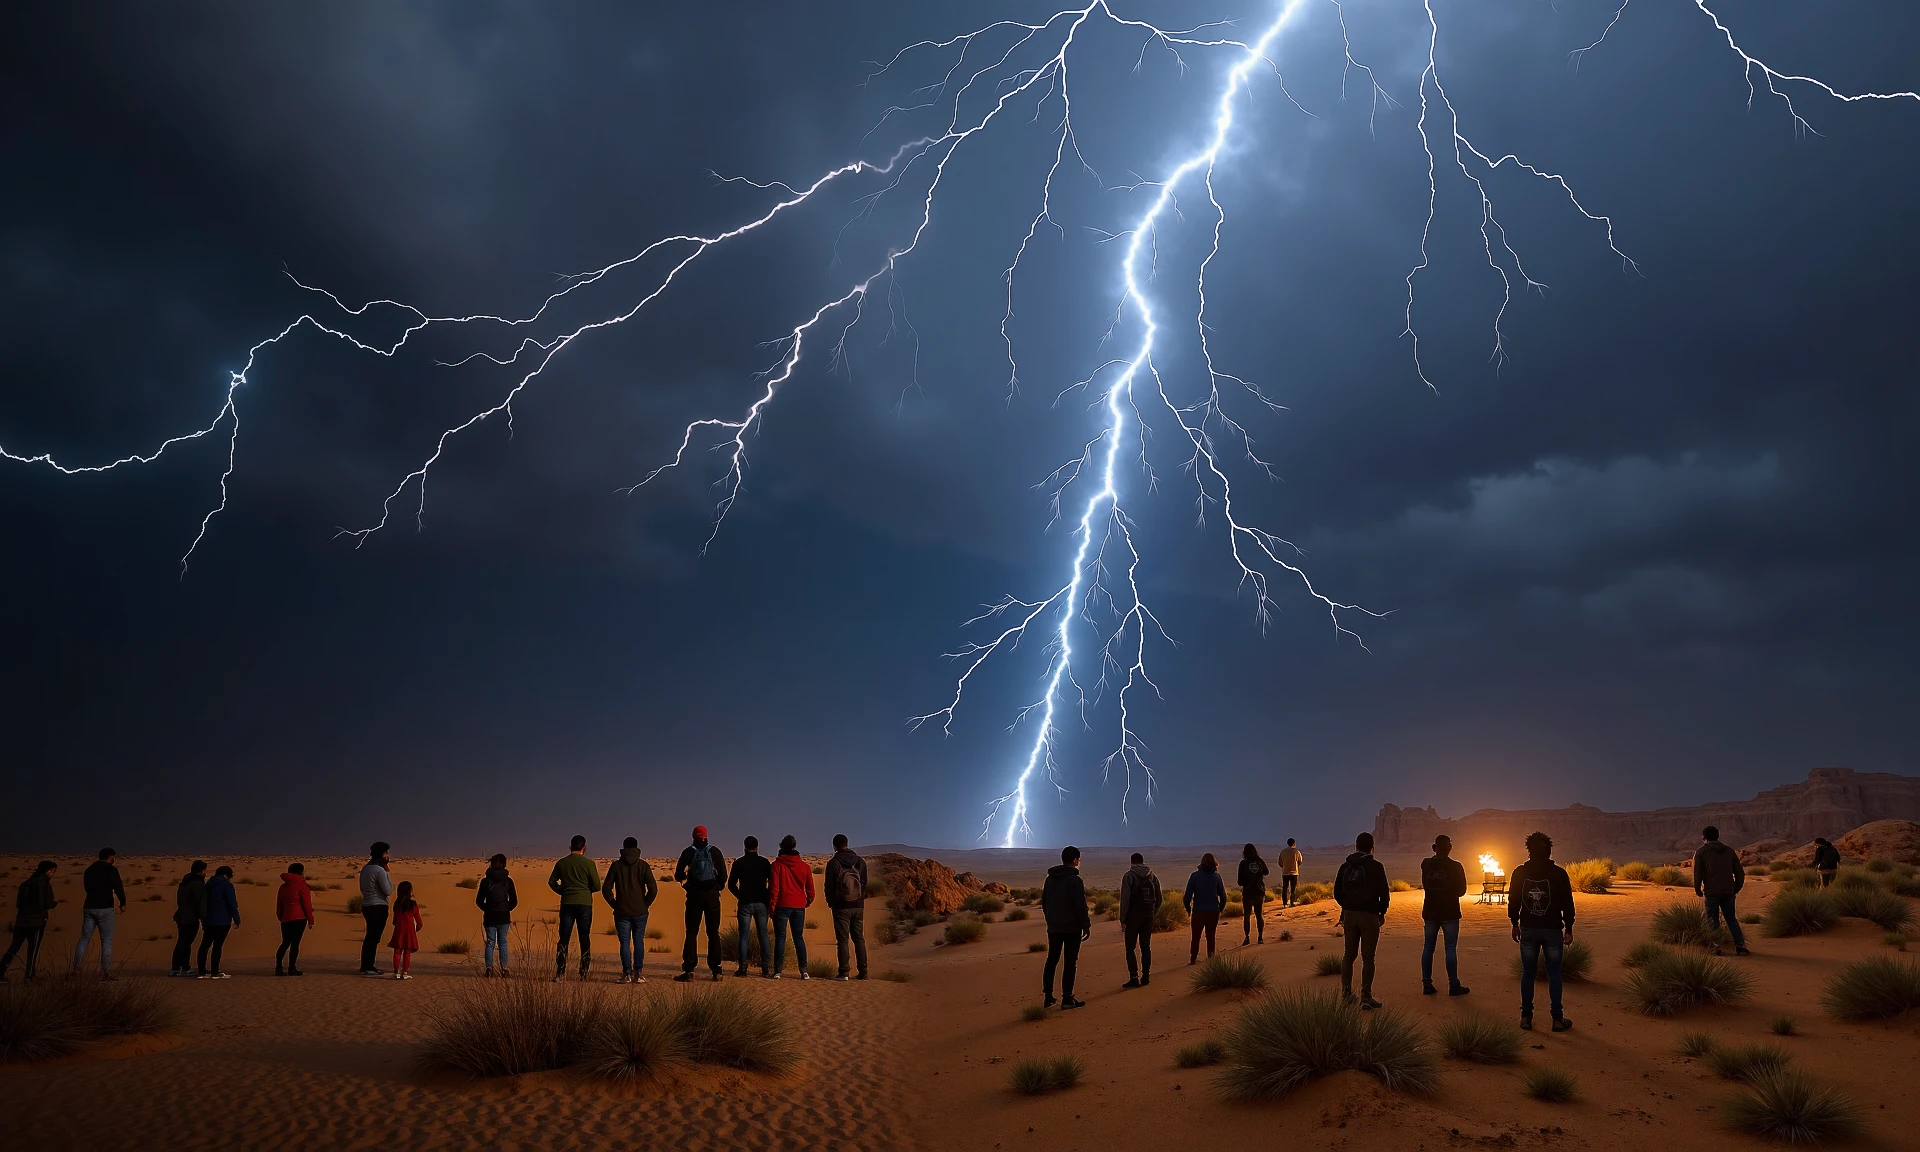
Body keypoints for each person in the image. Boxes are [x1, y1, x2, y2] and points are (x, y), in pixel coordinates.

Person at [1509, 831, 1575, 1032]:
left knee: (1527, 973)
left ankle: (1526, 1017)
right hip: (1552, 929)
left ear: (1529, 851)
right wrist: (1569, 927)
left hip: (1528, 929)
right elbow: (1567, 903)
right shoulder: (1559, 874)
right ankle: (1557, 1018)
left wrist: (1514, 923)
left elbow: (1514, 900)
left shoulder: (1519, 872)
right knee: (1554, 973)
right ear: (1549, 850)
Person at [1333, 832, 1389, 1009]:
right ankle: (1366, 997)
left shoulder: (1345, 866)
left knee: (1348, 956)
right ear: (1372, 847)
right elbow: (1384, 893)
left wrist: (1347, 905)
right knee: (1368, 957)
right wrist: (1381, 912)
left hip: (1349, 915)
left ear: (1355, 846)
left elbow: (1337, 892)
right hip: (1369, 916)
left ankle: (1346, 994)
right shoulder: (1376, 866)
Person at [1040, 845, 1091, 1008]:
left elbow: (1044, 902)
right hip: (1072, 929)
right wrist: (1086, 925)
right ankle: (1067, 998)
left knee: (1052, 959)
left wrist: (1051, 920)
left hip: (1054, 928)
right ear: (1076, 860)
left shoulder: (1050, 879)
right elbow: (1080, 906)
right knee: (1070, 962)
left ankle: (1048, 996)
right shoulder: (1075, 881)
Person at [675, 826, 728, 982]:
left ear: (693, 836)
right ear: (706, 836)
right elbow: (723, 876)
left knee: (691, 932)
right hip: (712, 897)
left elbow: (678, 875)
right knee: (713, 933)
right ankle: (716, 970)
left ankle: (689, 971)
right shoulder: (715, 851)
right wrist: (716, 887)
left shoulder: (688, 852)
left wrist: (687, 879)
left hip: (694, 897)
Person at [1419, 834, 1469, 996]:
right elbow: (1461, 891)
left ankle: (1427, 984)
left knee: (1428, 947)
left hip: (1431, 912)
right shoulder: (1456, 866)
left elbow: (1426, 883)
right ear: (1450, 848)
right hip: (1450, 912)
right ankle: (1453, 985)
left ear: (1435, 848)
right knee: (1450, 948)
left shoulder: (1426, 864)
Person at [602, 840, 658, 983]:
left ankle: (627, 973)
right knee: (639, 940)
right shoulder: (643, 865)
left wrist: (614, 904)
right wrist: (645, 903)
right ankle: (638, 973)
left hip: (622, 911)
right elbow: (653, 888)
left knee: (624, 942)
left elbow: (606, 889)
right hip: (640, 911)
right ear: (636, 848)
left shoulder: (616, 866)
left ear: (624, 848)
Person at [549, 835, 601, 982]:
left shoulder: (562, 863)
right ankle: (584, 972)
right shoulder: (589, 863)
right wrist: (586, 889)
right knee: (584, 938)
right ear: (584, 848)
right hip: (585, 904)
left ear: (570, 847)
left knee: (564, 938)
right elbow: (597, 886)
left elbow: (552, 881)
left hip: (567, 903)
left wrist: (562, 890)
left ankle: (560, 971)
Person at [1694, 826, 1750, 956]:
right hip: (1728, 892)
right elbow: (1739, 873)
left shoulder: (1701, 852)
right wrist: (1736, 888)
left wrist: (1697, 889)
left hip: (1712, 892)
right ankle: (1740, 946)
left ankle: (1716, 947)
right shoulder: (1729, 851)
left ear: (1704, 837)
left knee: (1712, 919)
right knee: (1731, 919)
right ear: (1718, 836)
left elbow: (1697, 873)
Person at [73, 847, 126, 979]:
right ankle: (105, 973)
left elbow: (86, 888)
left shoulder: (89, 869)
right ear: (111, 856)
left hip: (89, 906)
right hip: (105, 908)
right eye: (114, 856)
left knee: (84, 939)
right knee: (107, 940)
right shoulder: (112, 870)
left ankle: (75, 970)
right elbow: (118, 887)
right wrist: (123, 902)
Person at [0, 860, 57, 983]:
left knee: (14, 947)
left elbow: (19, 903)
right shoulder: (45, 885)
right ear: (46, 870)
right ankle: (29, 977)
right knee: (33, 950)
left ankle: (1, 972)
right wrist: (53, 905)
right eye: (51, 871)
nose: (52, 873)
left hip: (21, 921)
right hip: (36, 922)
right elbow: (47, 904)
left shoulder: (25, 884)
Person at [824, 834, 870, 981]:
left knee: (843, 940)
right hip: (858, 905)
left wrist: (831, 902)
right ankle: (863, 972)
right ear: (847, 844)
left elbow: (829, 886)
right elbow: (864, 882)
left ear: (835, 846)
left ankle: (844, 972)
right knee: (859, 939)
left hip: (841, 906)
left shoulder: (833, 863)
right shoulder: (860, 862)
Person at [769, 834, 814, 979]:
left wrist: (772, 906)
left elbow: (774, 888)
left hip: (782, 905)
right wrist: (807, 901)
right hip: (798, 906)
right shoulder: (804, 866)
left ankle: (777, 971)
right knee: (798, 938)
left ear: (782, 846)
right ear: (794, 846)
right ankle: (804, 971)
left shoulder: (776, 865)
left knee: (780, 938)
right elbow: (811, 889)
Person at [728, 836, 774, 979]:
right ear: (757, 846)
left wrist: (740, 895)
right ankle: (765, 968)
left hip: (745, 903)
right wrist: (766, 895)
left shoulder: (739, 863)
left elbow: (731, 885)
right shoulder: (764, 862)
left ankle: (743, 969)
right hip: (761, 903)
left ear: (744, 847)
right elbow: (772, 882)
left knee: (743, 936)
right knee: (763, 934)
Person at [1118, 852, 1161, 989]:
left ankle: (1134, 977)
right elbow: (1159, 899)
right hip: (1148, 916)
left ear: (1132, 862)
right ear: (1143, 862)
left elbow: (1125, 899)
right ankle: (1146, 976)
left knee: (1130, 948)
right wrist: (1153, 912)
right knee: (1145, 947)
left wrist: (1122, 917)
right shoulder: (1152, 876)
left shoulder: (1129, 876)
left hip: (1132, 917)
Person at [477, 854, 518, 978]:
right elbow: (514, 901)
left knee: (490, 943)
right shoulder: (508, 881)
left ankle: (489, 969)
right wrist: (506, 909)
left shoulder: (485, 881)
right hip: (504, 917)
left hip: (490, 917)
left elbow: (479, 901)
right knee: (503, 943)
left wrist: (488, 909)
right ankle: (504, 969)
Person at [1183, 852, 1228, 964]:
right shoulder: (1216, 876)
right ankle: (1211, 958)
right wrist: (1220, 908)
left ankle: (1193, 958)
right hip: (1213, 911)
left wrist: (1188, 908)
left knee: (1196, 936)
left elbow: (1187, 895)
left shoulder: (1195, 876)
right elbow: (1223, 895)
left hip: (1198, 910)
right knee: (1211, 935)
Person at [358, 842, 394, 977]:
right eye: (386, 853)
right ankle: (368, 967)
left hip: (367, 905)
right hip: (378, 906)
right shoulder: (379, 870)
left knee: (370, 937)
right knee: (373, 938)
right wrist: (387, 875)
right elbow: (388, 890)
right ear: (381, 854)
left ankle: (366, 966)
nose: (388, 856)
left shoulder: (366, 868)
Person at [200, 865, 240, 979]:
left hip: (208, 920)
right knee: (217, 945)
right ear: (227, 875)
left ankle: (202, 970)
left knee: (205, 944)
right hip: (222, 920)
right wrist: (236, 919)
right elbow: (232, 903)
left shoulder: (208, 884)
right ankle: (215, 971)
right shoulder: (226, 885)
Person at [170, 860, 209, 977]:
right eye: (205, 870)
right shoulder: (197, 883)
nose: (206, 872)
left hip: (182, 916)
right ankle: (179, 968)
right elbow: (200, 903)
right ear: (201, 870)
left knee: (183, 941)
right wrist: (204, 919)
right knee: (184, 942)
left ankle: (182, 967)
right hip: (189, 917)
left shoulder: (185, 882)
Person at [272, 863, 310, 977]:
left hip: (286, 918)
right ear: (301, 872)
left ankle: (278, 967)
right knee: (295, 944)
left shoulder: (283, 887)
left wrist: (281, 917)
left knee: (285, 943)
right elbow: (306, 904)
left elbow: (279, 904)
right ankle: (292, 968)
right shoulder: (302, 885)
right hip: (299, 918)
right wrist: (310, 919)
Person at [1237, 844, 1270, 945]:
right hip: (1259, 891)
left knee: (1247, 916)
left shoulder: (1243, 863)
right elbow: (1266, 872)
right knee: (1259, 915)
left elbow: (1239, 881)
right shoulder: (1259, 861)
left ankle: (1247, 937)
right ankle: (1260, 937)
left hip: (1247, 893)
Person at [388, 881, 422, 979]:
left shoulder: (397, 904)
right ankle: (405, 972)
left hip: (399, 929)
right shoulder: (413, 904)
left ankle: (396, 972)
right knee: (407, 951)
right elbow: (419, 921)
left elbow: (394, 920)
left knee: (397, 950)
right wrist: (417, 928)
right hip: (409, 930)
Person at [1277, 838, 1304, 908]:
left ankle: (1285, 903)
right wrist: (1295, 865)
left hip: (1285, 873)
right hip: (1294, 873)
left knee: (1285, 888)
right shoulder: (1297, 852)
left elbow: (1280, 863)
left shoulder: (1283, 852)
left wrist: (1284, 866)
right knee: (1293, 888)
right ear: (1294, 843)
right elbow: (1300, 861)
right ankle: (1292, 902)